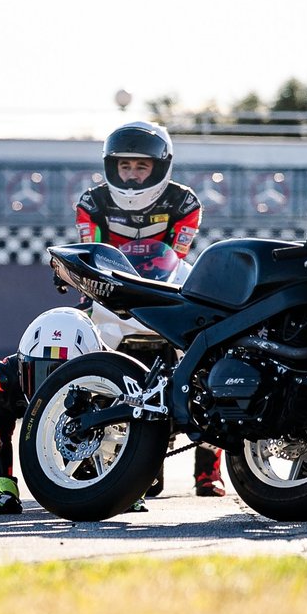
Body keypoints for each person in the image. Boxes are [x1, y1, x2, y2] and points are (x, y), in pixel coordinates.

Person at [75, 120, 222, 497]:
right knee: (80, 345)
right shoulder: (91, 203)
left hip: (166, 289)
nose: (132, 174)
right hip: (113, 295)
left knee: (210, 362)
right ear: (112, 166)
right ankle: (88, 450)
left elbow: (177, 254)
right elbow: (91, 253)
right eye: (125, 166)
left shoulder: (184, 201)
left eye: (141, 166)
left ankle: (208, 471)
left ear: (159, 166)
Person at [0, 306, 103, 514]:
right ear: (22, 365)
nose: (49, 387)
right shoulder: (2, 378)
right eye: (40, 372)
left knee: (91, 479)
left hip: (80, 421)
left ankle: (114, 480)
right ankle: (1, 487)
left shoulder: (109, 375)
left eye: (61, 373)